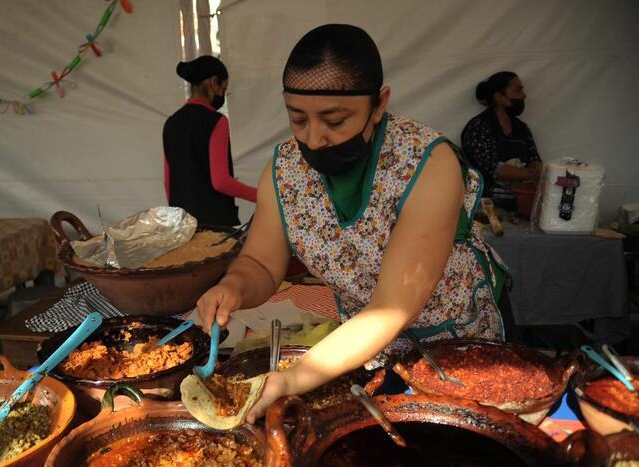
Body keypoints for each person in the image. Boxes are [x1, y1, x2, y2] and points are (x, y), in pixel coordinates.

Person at [196, 24, 505, 422]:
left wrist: (293, 380)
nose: (314, 139)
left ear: (379, 105)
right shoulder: (285, 169)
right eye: (298, 119)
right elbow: (260, 262)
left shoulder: (427, 163)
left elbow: (392, 307)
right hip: (358, 347)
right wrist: (232, 288)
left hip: (456, 342)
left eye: (335, 120)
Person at [163, 55, 257, 226]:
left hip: (183, 225)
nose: (223, 94)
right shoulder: (217, 122)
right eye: (224, 87)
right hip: (215, 224)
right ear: (214, 82)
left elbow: (168, 182)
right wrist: (259, 195)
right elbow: (221, 182)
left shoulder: (170, 123)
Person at [461, 71, 542, 211]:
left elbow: (535, 160)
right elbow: (495, 169)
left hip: (519, 207)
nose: (524, 96)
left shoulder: (522, 128)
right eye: (518, 90)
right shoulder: (479, 126)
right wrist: (531, 173)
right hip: (484, 209)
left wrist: (534, 170)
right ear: (499, 96)